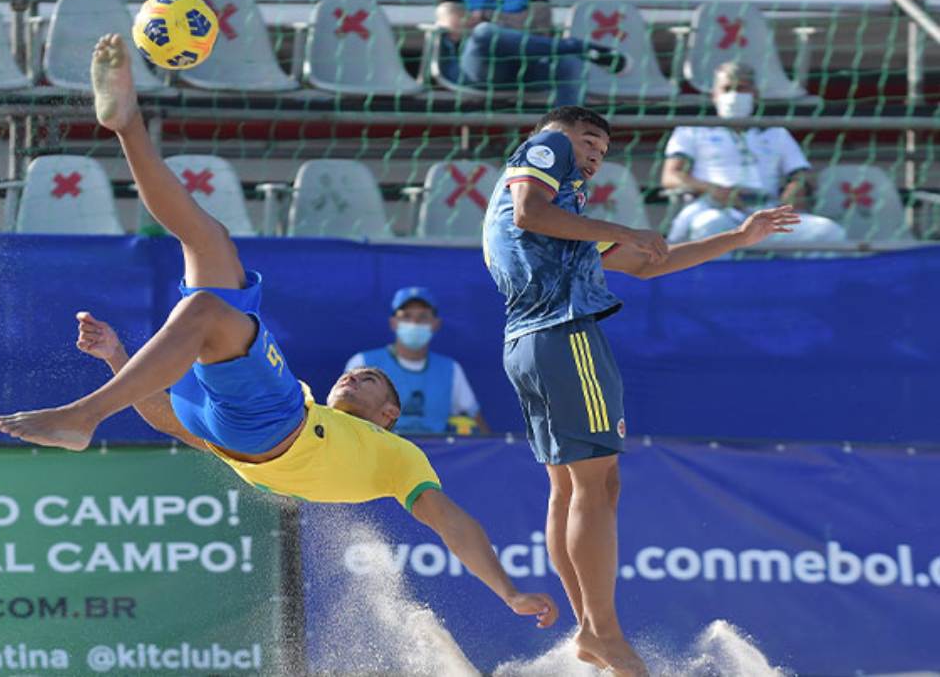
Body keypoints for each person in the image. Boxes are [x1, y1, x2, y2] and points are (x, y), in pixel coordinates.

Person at [0, 33, 560, 630]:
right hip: (232, 427)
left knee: (209, 311)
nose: (355, 373)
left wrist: (508, 592)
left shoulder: (398, 455)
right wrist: (116, 356)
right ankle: (128, 126)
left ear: (390, 414)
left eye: (371, 380)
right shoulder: (308, 402)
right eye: (357, 369)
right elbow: (176, 423)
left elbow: (454, 523)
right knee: (207, 241)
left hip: (278, 431)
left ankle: (82, 416)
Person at [483, 105, 799, 674]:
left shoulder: (567, 221)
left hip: (528, 344)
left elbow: (650, 264)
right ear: (554, 135)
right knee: (598, 486)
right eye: (589, 140)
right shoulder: (546, 153)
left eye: (602, 149)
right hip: (563, 335)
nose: (596, 153)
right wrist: (621, 227)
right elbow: (533, 212)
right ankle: (604, 632)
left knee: (571, 489)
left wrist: (738, 235)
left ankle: (589, 631)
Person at [661, 61, 845, 244]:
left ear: (754, 94)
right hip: (718, 210)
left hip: (767, 213)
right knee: (710, 227)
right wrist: (712, 189)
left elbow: (802, 174)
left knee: (828, 232)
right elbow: (671, 177)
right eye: (727, 89)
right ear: (714, 95)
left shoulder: (776, 133)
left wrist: (795, 188)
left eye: (741, 89)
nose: (734, 95)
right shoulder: (692, 130)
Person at [434, 0, 626, 104]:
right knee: (485, 33)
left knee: (571, 64)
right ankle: (579, 46)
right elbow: (456, 28)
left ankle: (566, 139)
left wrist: (486, 15)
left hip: (525, 66)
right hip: (477, 69)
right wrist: (515, 21)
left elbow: (542, 30)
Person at [344, 286, 492, 435]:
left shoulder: (451, 369)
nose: (414, 323)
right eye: (406, 316)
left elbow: (479, 426)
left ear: (435, 324)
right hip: (378, 453)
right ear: (393, 323)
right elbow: (343, 421)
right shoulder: (362, 363)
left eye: (423, 317)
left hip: (436, 457)